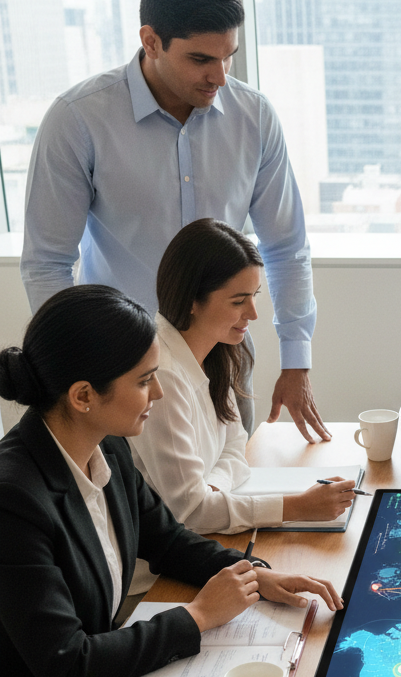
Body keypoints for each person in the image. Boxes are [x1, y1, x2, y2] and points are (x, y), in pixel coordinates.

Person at [0, 285, 342, 677]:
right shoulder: (14, 499)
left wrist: (257, 576)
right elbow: (68, 667)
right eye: (144, 381)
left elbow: (168, 540)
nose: (157, 395)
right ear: (83, 396)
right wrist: (199, 616)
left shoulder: (107, 446)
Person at [20, 0, 328, 443]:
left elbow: (286, 246)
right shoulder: (78, 119)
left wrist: (296, 359)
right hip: (121, 367)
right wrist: (83, 362)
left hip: (225, 357)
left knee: (228, 497)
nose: (220, 76)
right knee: (132, 510)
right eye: (201, 59)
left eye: (229, 56)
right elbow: (47, 262)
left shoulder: (255, 117)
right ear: (151, 41)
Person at [128, 220, 354, 593]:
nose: (253, 314)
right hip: (158, 579)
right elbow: (190, 514)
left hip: (205, 546)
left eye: (255, 296)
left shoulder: (217, 352)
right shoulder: (162, 375)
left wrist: (212, 487)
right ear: (192, 301)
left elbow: (236, 447)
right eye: (238, 301)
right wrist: (296, 507)